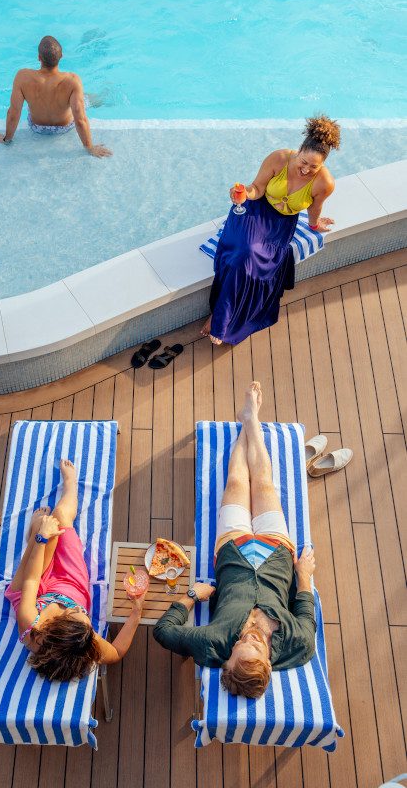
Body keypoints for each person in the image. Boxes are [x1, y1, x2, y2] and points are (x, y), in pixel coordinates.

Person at [153, 382, 316, 699]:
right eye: (255, 647)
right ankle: (250, 418)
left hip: (233, 550)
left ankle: (249, 418)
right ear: (268, 664)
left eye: (240, 647)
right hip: (277, 553)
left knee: (238, 480)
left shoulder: (214, 644)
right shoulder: (300, 645)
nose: (248, 640)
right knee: (265, 483)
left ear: (225, 662)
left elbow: (164, 632)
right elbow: (306, 612)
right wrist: (304, 575)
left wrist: (191, 596)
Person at [201, 115, 340, 345]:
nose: (306, 170)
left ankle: (220, 317)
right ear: (299, 150)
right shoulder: (279, 158)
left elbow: (315, 209)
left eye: (313, 167)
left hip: (281, 225)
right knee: (243, 254)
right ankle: (219, 318)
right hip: (255, 209)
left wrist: (315, 226)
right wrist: (245, 194)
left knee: (255, 260)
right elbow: (257, 188)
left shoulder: (325, 183)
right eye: (303, 162)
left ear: (323, 164)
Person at [5, 459, 144, 681]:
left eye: (75, 613)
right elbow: (116, 652)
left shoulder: (31, 623)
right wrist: (136, 613)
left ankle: (36, 529)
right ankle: (70, 485)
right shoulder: (83, 642)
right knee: (60, 516)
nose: (80, 613)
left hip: (33, 590)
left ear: (54, 626)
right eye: (83, 616)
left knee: (47, 528)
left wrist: (41, 539)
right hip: (71, 584)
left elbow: (32, 580)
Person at [0, 36, 112, 157]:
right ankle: (102, 99)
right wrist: (90, 148)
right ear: (61, 56)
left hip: (37, 127)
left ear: (39, 58)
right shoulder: (73, 80)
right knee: (85, 99)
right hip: (64, 127)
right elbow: (80, 119)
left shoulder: (22, 77)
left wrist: (6, 140)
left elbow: (14, 113)